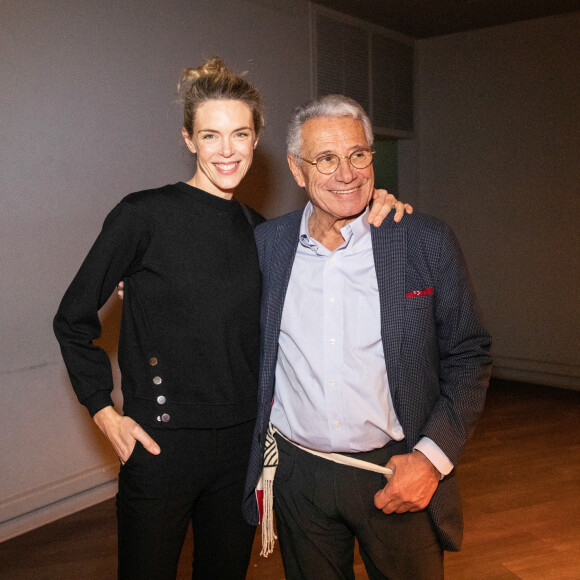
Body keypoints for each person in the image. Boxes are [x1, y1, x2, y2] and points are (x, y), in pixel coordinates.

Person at [53, 59, 410, 580]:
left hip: (243, 449)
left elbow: (320, 257)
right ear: (189, 139)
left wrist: (373, 202)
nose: (226, 150)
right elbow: (73, 318)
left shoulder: (264, 235)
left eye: (240, 134)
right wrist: (104, 412)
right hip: (160, 445)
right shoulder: (143, 215)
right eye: (211, 135)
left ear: (256, 138)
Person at [242, 94, 492, 579]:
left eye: (358, 155)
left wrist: (430, 458)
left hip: (396, 473)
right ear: (297, 170)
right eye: (327, 159)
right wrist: (141, 285)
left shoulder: (422, 239)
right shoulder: (267, 246)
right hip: (299, 477)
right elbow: (210, 301)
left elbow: (469, 354)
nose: (347, 173)